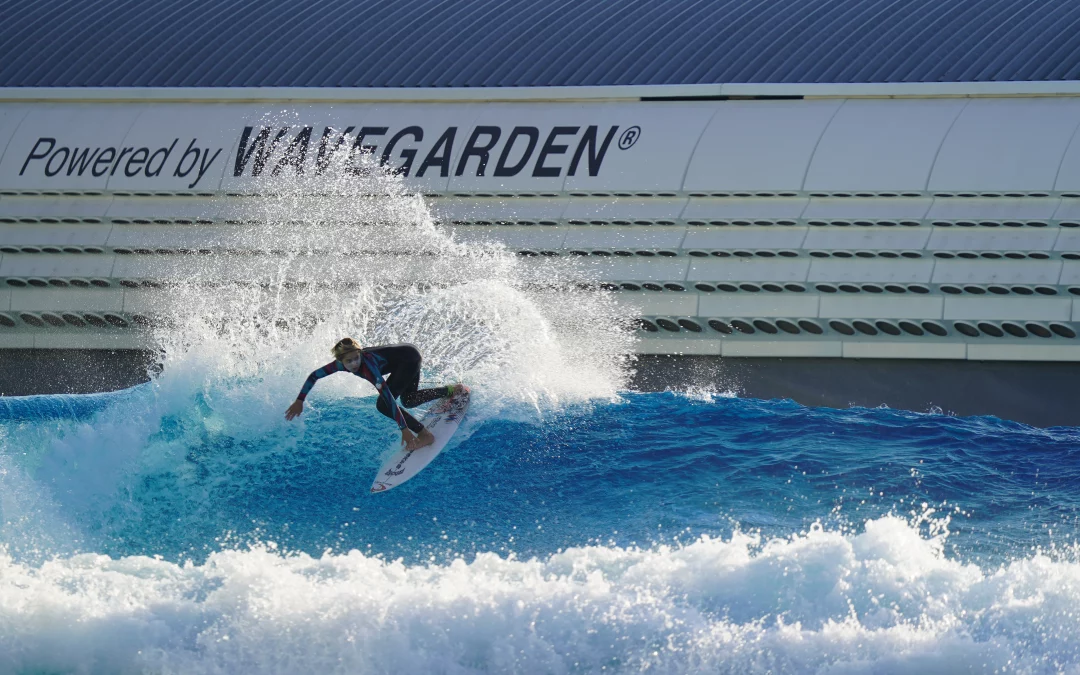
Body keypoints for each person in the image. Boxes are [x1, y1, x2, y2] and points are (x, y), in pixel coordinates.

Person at [285, 338, 461, 451]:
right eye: (349, 361)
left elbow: (389, 400)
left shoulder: (368, 368)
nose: (354, 363)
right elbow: (314, 375)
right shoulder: (337, 365)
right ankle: (450, 390)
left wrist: (405, 430)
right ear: (340, 362)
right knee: (409, 400)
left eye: (357, 357)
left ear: (360, 353)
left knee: (383, 405)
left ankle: (425, 435)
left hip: (409, 359)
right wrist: (300, 400)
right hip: (407, 354)